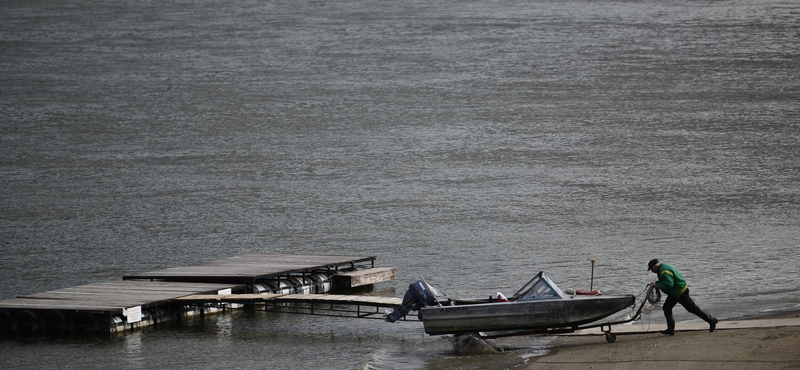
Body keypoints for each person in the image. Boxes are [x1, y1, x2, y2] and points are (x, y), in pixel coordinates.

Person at [648, 259, 718, 335]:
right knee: (666, 308)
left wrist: (658, 285)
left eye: (652, 269)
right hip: (674, 293)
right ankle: (670, 329)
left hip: (680, 292)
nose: (652, 271)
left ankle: (711, 320)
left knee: (692, 309)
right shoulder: (664, 267)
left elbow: (669, 284)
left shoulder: (664, 272)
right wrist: (657, 283)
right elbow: (666, 281)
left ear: (655, 266)